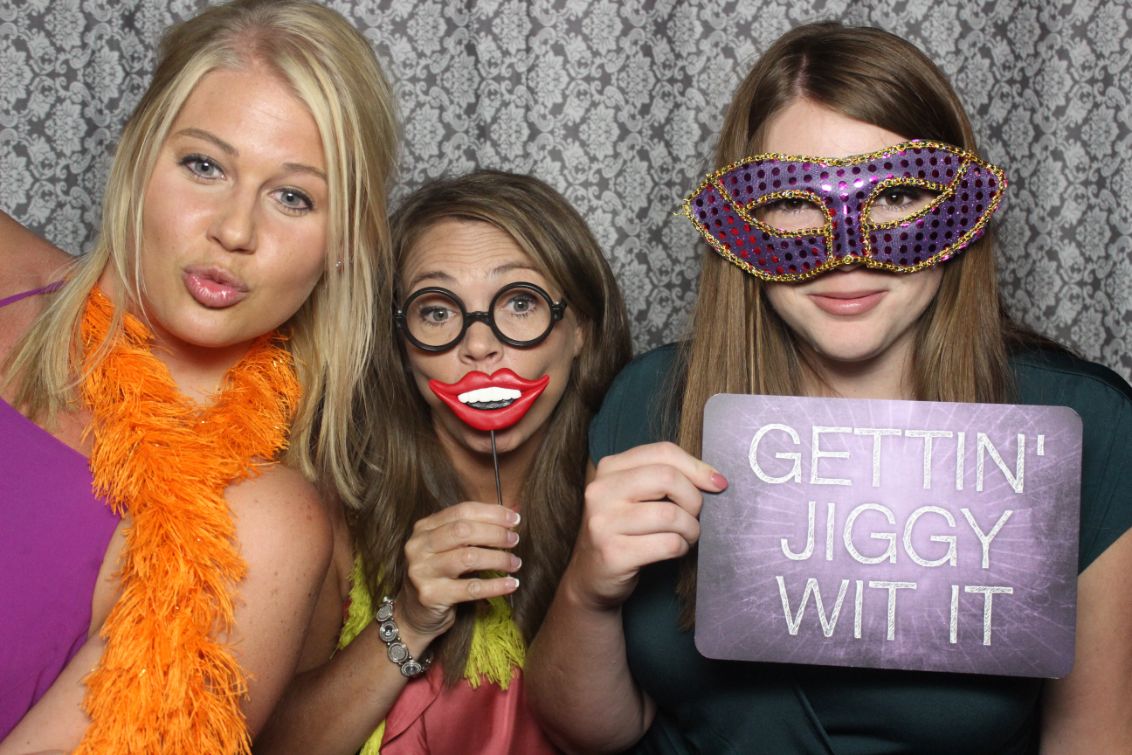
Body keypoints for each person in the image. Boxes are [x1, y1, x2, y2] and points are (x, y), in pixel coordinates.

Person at [526, 21, 1132, 754]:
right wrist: (589, 589)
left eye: (898, 196)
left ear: (960, 213)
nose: (847, 254)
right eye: (791, 203)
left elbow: (1094, 738)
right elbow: (584, 733)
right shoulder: (650, 401)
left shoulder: (1085, 428)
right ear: (738, 224)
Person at [0, 1, 397, 752]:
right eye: (204, 165)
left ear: (344, 243)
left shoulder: (258, 525)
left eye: (293, 196)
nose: (236, 230)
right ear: (136, 154)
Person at [255, 169, 632, 754]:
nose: (479, 346)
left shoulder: (629, 503)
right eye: (436, 311)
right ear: (400, 345)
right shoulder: (326, 507)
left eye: (521, 303)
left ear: (579, 328)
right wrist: (407, 621)